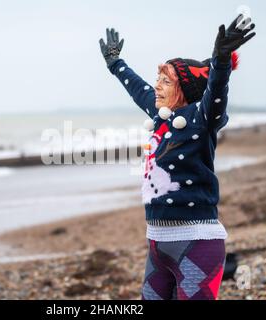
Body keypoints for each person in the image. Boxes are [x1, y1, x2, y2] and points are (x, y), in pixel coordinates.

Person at [99, 14, 256, 300]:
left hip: (197, 243)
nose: (156, 86)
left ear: (184, 89)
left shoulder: (201, 118)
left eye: (165, 81)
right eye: (157, 79)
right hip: (157, 245)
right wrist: (115, 64)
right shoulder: (162, 115)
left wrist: (221, 61)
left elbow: (215, 93)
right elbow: (138, 89)